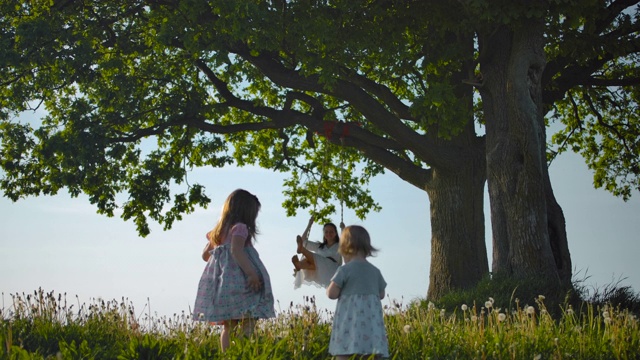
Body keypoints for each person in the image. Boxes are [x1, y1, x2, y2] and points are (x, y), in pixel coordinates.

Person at [193, 189, 275, 352]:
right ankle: (242, 352)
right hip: (241, 281)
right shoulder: (240, 228)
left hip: (223, 284)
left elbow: (204, 255)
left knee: (228, 326)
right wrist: (251, 273)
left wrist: (218, 252)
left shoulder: (218, 230)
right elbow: (236, 250)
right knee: (249, 318)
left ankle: (227, 355)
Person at [327, 225, 389, 359]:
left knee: (344, 352)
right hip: (371, 326)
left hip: (348, 323)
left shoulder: (345, 270)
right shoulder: (375, 271)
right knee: (370, 353)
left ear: (344, 247)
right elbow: (381, 294)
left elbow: (331, 294)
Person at [292, 217, 344, 289]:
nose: (329, 234)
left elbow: (348, 242)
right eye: (326, 232)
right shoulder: (320, 246)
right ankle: (300, 265)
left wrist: (343, 229)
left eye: (331, 232)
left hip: (332, 270)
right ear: (324, 234)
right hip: (319, 270)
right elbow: (303, 242)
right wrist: (309, 224)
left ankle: (302, 251)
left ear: (335, 233)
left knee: (315, 257)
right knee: (310, 260)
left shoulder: (340, 245)